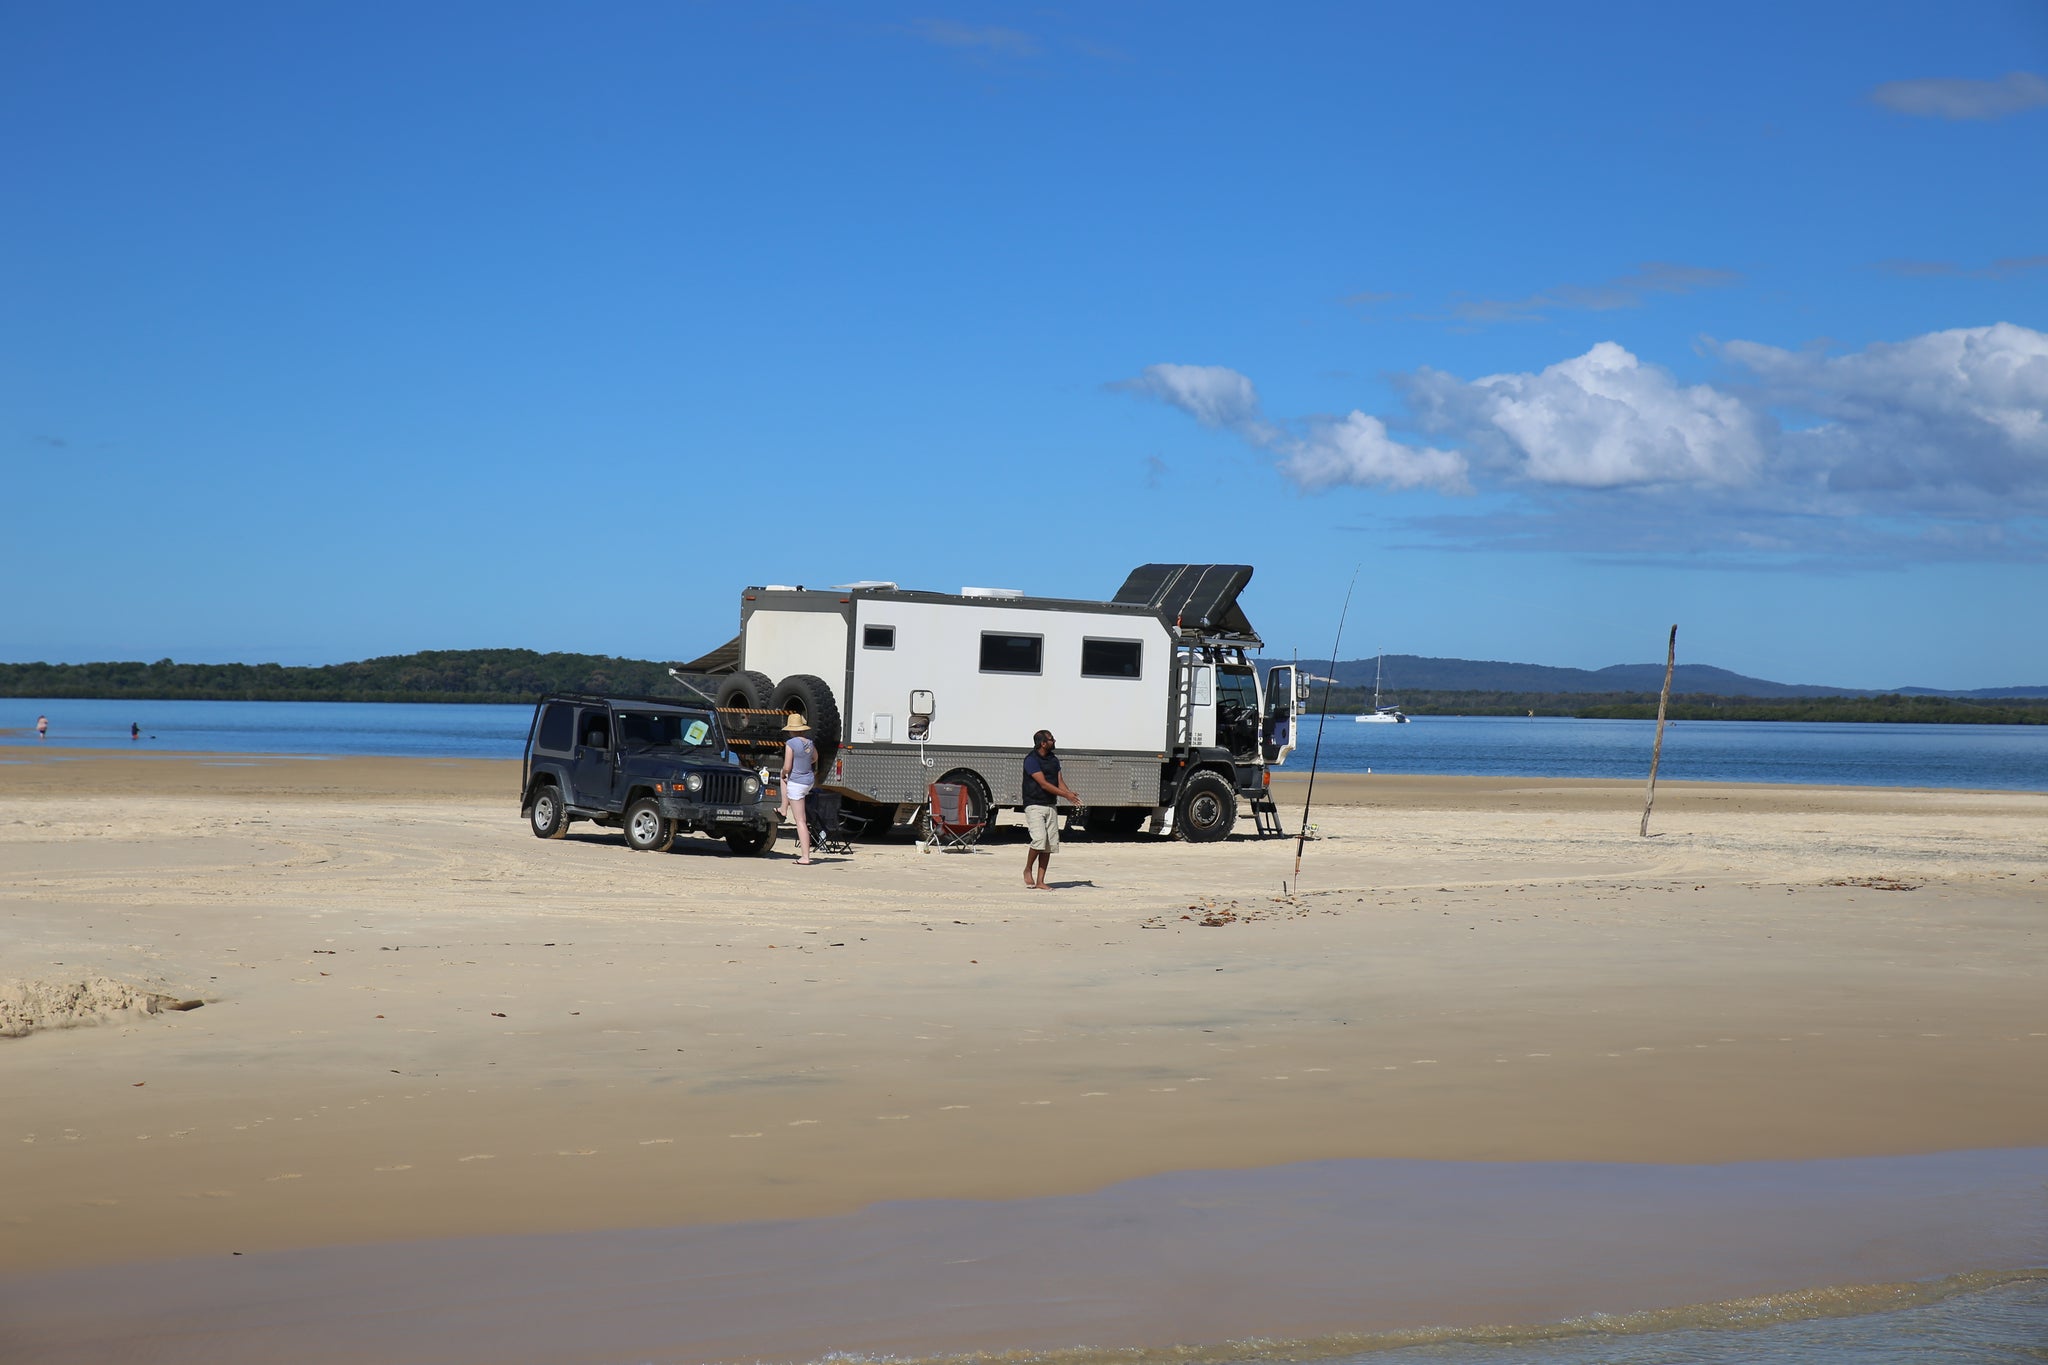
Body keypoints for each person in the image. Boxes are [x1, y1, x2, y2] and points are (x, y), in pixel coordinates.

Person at [1021, 729, 1081, 890]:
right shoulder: (1031, 760)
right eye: (1051, 739)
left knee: (1048, 844)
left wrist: (1069, 794)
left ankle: (1041, 881)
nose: (1054, 740)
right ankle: (1028, 868)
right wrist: (1066, 795)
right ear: (1043, 743)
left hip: (1050, 805)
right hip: (1034, 804)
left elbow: (1059, 781)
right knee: (1039, 840)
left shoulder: (1053, 760)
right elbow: (1044, 784)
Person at [779, 715, 819, 865]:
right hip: (809, 780)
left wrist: (783, 772)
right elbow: (815, 757)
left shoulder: (790, 743)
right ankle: (783, 807)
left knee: (801, 821)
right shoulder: (809, 742)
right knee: (785, 780)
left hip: (797, 783)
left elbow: (787, 767)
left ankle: (805, 857)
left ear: (790, 730)